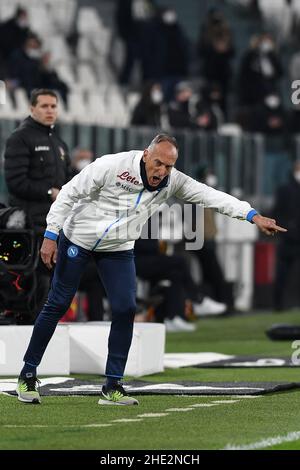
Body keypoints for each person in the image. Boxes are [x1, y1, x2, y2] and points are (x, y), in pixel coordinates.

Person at [15, 134, 286, 406]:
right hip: (78, 238)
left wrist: (252, 215)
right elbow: (70, 192)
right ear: (146, 155)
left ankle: (112, 386)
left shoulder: (173, 181)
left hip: (118, 246)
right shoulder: (111, 165)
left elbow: (210, 196)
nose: (163, 171)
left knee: (125, 308)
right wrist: (51, 234)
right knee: (58, 303)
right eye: (159, 163)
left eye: (169, 166)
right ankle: (27, 373)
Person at [4, 88, 71, 321]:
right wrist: (48, 192)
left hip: (54, 224)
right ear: (32, 108)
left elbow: (67, 180)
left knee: (53, 280)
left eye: (53, 106)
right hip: (30, 225)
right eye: (44, 106)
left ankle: (44, 332)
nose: (50, 110)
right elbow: (15, 182)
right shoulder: (20, 138)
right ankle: (33, 332)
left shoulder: (58, 143)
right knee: (36, 283)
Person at [272, 160, 300, 310]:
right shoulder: (284, 190)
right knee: (283, 273)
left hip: (292, 237)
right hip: (289, 238)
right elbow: (277, 212)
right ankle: (279, 304)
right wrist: (288, 228)